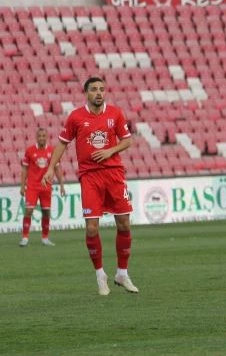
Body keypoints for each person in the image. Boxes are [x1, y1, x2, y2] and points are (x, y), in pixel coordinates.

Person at [42, 76, 137, 296]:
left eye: (102, 89)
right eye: (94, 89)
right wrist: (50, 169)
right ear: (86, 92)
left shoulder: (115, 113)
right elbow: (62, 144)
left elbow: (128, 140)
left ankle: (122, 273)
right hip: (90, 178)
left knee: (124, 224)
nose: (99, 93)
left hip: (114, 175)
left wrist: (110, 151)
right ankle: (100, 275)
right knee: (92, 227)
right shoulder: (75, 117)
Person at [19, 127, 66, 247]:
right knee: (28, 210)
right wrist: (22, 185)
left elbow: (57, 168)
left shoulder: (52, 151)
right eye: (39, 136)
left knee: (46, 212)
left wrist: (61, 185)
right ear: (36, 137)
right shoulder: (30, 151)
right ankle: (25, 238)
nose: (41, 138)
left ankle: (45, 238)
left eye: (43, 136)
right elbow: (24, 169)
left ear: (47, 137)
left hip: (46, 186)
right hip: (32, 186)